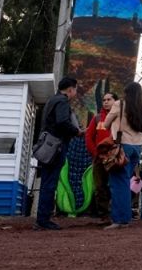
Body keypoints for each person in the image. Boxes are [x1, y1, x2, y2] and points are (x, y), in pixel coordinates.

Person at [36, 77, 83, 231]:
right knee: (50, 184)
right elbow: (62, 122)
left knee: (46, 183)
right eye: (75, 89)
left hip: (45, 147)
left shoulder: (51, 100)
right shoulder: (62, 102)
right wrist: (77, 131)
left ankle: (41, 218)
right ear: (71, 89)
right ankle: (44, 220)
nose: (75, 93)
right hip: (56, 148)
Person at [102, 81, 142, 229]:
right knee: (124, 182)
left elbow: (106, 123)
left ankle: (119, 219)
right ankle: (125, 218)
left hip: (123, 147)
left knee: (117, 184)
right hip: (137, 147)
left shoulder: (119, 104)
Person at [85, 91, 116, 219]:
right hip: (98, 158)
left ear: (116, 101)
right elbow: (88, 136)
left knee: (115, 185)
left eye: (109, 99)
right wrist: (96, 153)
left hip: (115, 158)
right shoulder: (97, 118)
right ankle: (104, 215)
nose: (106, 102)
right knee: (100, 187)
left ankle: (116, 213)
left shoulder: (119, 118)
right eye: (104, 100)